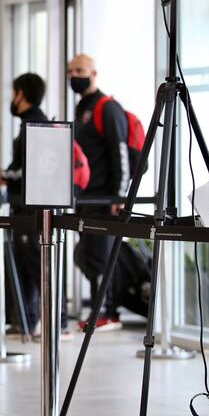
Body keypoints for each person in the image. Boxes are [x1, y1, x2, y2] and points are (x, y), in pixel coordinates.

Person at [0, 73, 74, 340]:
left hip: (34, 208)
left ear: (21, 93)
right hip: (28, 207)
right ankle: (29, 321)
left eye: (14, 93)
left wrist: (2, 174)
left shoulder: (34, 125)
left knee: (38, 264)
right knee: (28, 264)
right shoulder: (36, 122)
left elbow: (31, 170)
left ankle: (55, 322)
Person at [67, 53, 129, 331]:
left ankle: (108, 311)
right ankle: (99, 308)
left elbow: (121, 153)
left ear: (94, 73)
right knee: (86, 254)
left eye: (80, 70)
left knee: (100, 255)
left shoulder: (108, 107)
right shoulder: (82, 109)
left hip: (105, 198)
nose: (74, 76)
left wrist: (119, 194)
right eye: (70, 71)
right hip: (85, 197)